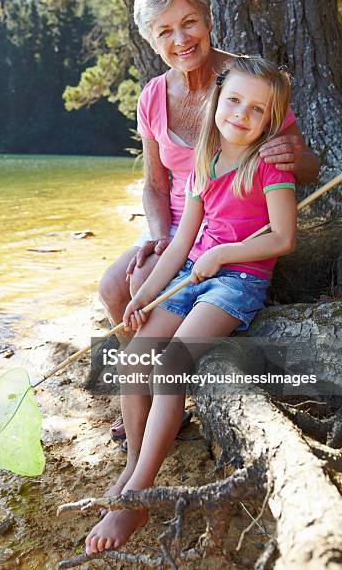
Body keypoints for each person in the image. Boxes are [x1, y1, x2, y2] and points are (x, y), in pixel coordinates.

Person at [101, 0, 319, 443]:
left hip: (231, 228)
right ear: (151, 40)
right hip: (178, 226)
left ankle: (165, 391)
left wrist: (295, 154)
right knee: (115, 286)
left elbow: (305, 168)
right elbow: (155, 185)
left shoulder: (244, 82)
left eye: (189, 22)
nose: (180, 40)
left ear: (207, 16)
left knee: (144, 288)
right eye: (165, 32)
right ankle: (156, 404)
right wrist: (159, 236)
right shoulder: (154, 96)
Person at [85, 55, 297, 553]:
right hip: (190, 275)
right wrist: (143, 295)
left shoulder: (268, 166)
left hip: (235, 282)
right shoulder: (204, 162)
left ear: (271, 120)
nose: (242, 114)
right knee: (136, 357)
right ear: (217, 100)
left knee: (171, 365)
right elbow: (180, 244)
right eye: (234, 100)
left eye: (257, 110)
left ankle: (137, 496)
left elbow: (283, 237)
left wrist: (224, 253)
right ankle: (135, 469)